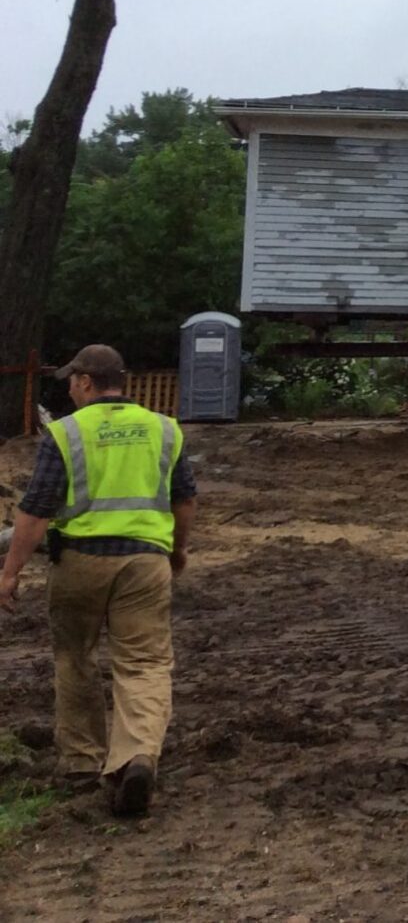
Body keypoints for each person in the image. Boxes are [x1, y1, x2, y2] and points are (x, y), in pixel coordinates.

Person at [0, 345, 196, 818]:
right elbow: (184, 499)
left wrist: (10, 572)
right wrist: (177, 549)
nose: (69, 387)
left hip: (80, 564)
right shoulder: (164, 429)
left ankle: (82, 762)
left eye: (72, 380)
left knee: (74, 658)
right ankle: (137, 756)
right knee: (145, 664)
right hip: (144, 563)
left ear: (87, 382)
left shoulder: (66, 432)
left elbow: (36, 509)